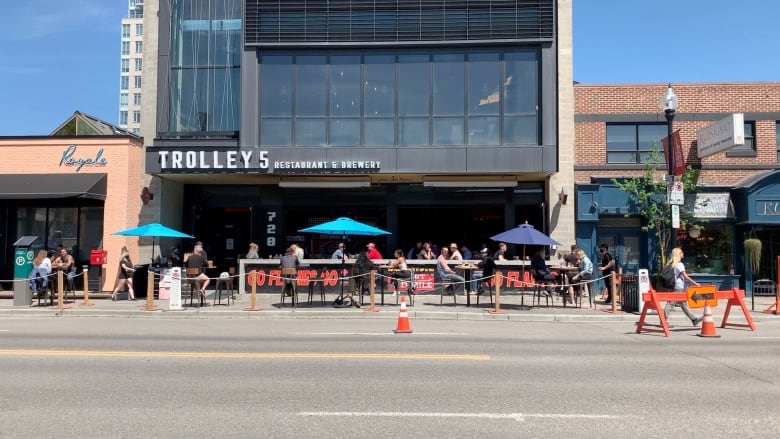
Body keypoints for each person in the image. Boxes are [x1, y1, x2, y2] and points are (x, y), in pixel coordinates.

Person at [664, 247, 703, 326]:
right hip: (678, 288)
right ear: (678, 254)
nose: (683, 253)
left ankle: (694, 319)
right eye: (681, 252)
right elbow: (686, 276)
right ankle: (663, 322)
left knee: (683, 304)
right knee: (671, 303)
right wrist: (695, 283)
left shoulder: (670, 264)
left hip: (673, 286)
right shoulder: (679, 264)